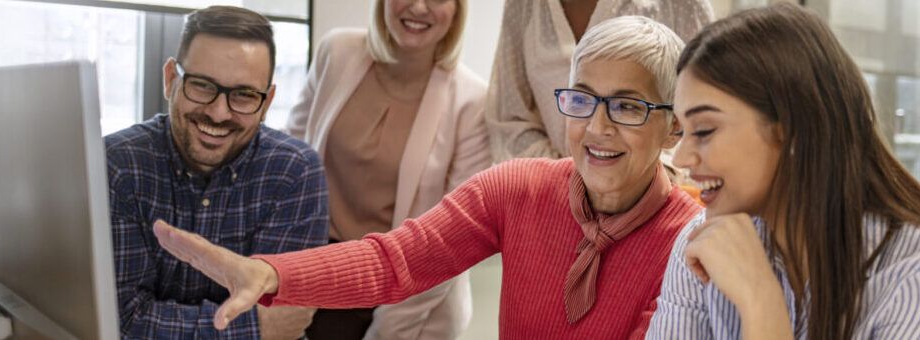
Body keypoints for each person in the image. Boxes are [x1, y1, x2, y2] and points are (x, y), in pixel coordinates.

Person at [152, 16, 701, 339]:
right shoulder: (519, 188)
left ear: (673, 127)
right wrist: (270, 275)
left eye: (627, 108)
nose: (596, 127)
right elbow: (397, 260)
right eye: (581, 101)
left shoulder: (691, 243)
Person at [646, 4, 920, 339]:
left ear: (796, 131)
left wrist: (760, 301)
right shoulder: (704, 241)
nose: (681, 157)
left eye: (705, 131)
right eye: (683, 131)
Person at [104, 6, 328, 339]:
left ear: (266, 103)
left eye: (244, 95)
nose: (219, 113)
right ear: (170, 80)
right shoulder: (118, 166)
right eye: (203, 86)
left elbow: (286, 318)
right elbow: (121, 321)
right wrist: (253, 328)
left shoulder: (294, 173)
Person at [284, 0, 487, 337]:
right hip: (317, 273)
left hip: (409, 295)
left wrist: (385, 329)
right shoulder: (336, 51)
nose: (419, 8)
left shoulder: (473, 102)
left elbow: (452, 240)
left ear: (457, 10)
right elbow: (291, 161)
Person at [485, 0, 713, 162]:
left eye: (627, 105)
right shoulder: (524, 5)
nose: (597, 127)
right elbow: (509, 116)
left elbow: (705, 118)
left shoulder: (683, 4)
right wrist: (570, 179)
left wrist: (641, 180)